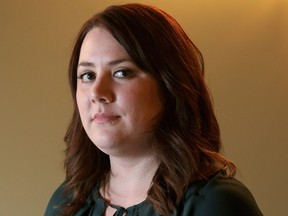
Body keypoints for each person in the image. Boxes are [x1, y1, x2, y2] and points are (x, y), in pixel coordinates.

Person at [45, 3, 263, 216]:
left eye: (122, 72)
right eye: (87, 75)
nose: (97, 92)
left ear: (170, 85)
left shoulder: (217, 204)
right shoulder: (65, 203)